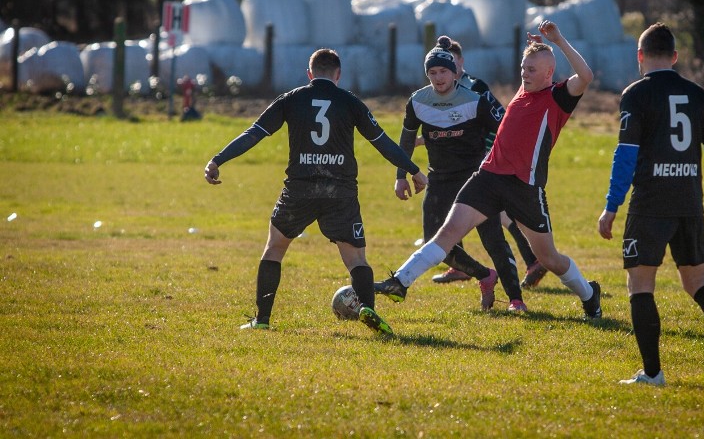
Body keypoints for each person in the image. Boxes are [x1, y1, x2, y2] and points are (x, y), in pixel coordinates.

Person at [376, 20, 602, 320]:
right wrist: (531, 52)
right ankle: (400, 282)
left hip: (525, 186)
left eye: (531, 70)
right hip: (487, 177)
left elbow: (585, 75)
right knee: (446, 233)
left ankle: (588, 293)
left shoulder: (558, 97)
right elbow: (528, 69)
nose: (524, 74)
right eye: (523, 68)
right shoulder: (523, 92)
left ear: (549, 73)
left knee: (549, 258)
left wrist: (557, 40)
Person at [204, 48, 428, 336]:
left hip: (300, 189)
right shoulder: (350, 102)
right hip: (340, 190)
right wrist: (413, 169)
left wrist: (218, 159)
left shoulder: (291, 99)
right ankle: (368, 308)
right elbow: (382, 141)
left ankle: (262, 319)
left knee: (274, 249)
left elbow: (254, 133)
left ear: (309, 73)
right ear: (338, 74)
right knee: (356, 259)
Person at [597, 22, 704, 386]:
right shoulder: (697, 94)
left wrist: (611, 205)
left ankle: (653, 374)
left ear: (640, 56)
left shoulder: (635, 95)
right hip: (688, 202)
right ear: (674, 56)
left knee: (640, 286)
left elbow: (625, 156)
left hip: (650, 204)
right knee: (698, 283)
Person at [394, 35, 525, 312]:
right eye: (432, 72)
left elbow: (507, 130)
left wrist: (504, 169)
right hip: (439, 180)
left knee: (493, 240)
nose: (438, 77)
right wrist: (401, 175)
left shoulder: (476, 99)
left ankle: (516, 300)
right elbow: (406, 141)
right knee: (436, 245)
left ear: (455, 72)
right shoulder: (418, 101)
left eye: (443, 71)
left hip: (477, 180)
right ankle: (484, 275)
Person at [427, 38, 549, 290]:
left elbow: (500, 121)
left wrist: (489, 152)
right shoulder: (445, 89)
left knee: (500, 216)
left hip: (484, 158)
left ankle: (533, 260)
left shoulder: (474, 86)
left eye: (450, 61)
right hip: (462, 160)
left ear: (460, 61)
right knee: (472, 213)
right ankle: (462, 265)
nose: (444, 69)